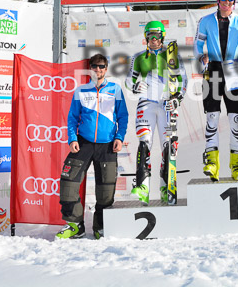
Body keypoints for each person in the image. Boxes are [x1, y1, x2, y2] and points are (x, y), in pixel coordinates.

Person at [57, 54, 129, 239]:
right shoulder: (81, 90)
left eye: (101, 66)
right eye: (95, 66)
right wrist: (72, 139)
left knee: (106, 189)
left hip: (107, 145)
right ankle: (75, 225)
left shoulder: (115, 89)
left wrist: (119, 137)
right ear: (90, 69)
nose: (98, 69)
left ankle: (100, 226)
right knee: (68, 182)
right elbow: (72, 118)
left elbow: (123, 116)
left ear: (106, 68)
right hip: (83, 143)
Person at [194, 0, 238, 182]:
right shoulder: (205, 21)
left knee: (236, 121)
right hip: (213, 70)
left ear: (235, 0)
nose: (226, 2)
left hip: (235, 71)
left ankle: (237, 165)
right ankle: (212, 163)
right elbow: (197, 44)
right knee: (212, 118)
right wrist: (201, 57)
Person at [125, 21, 187, 205]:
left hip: (167, 104)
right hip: (146, 104)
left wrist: (177, 98)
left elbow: (183, 80)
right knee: (144, 142)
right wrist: (135, 85)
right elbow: (128, 80)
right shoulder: (138, 57)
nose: (154, 39)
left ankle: (165, 186)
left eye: (157, 35)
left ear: (163, 36)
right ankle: (143, 186)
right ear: (146, 37)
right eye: (150, 36)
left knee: (169, 146)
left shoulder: (172, 55)